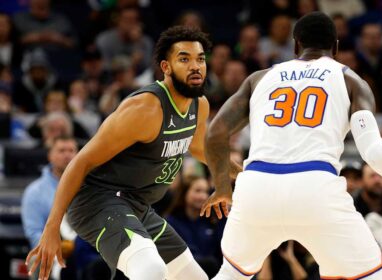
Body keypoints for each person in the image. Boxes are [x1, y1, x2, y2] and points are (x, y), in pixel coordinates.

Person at [26, 26, 240, 280]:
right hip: (97, 202)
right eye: (184, 59)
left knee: (194, 278)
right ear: (166, 66)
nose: (195, 66)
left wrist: (243, 173)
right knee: (150, 269)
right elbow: (80, 162)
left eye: (200, 59)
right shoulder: (144, 109)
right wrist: (51, 228)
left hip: (137, 206)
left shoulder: (199, 105)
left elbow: (198, 147)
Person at [201, 12, 382, 279]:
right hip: (316, 188)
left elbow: (214, 134)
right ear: (336, 47)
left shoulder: (259, 79)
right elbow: (373, 152)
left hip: (258, 189)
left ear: (295, 45)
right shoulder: (351, 80)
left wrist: (223, 188)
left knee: (231, 274)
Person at [21, 136, 79, 280]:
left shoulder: (90, 187)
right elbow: (33, 232)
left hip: (85, 246)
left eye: (71, 150)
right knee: (38, 260)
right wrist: (56, 250)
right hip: (51, 250)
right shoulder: (34, 191)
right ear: (50, 155)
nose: (67, 155)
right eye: (61, 150)